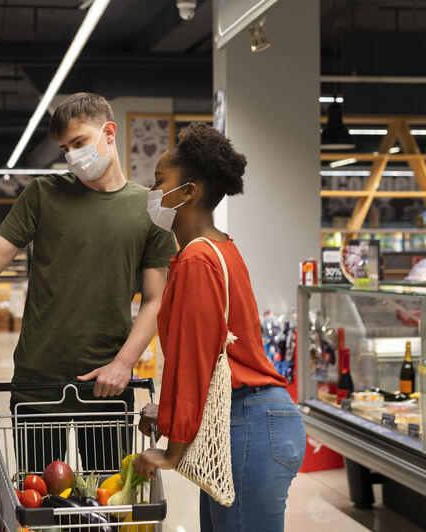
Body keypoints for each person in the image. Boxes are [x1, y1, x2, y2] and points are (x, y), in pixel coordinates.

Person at [0, 93, 177, 472]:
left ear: (109, 132)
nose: (72, 155)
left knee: (105, 506)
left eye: (79, 143)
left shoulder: (149, 209)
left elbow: (156, 300)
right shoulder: (43, 194)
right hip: (37, 380)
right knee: (40, 507)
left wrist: (124, 364)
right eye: (64, 148)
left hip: (106, 383)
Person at [132, 123, 306, 532]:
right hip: (244, 421)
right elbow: (211, 353)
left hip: (247, 425)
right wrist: (170, 412)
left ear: (188, 192)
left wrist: (172, 453)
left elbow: (196, 361)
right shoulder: (218, 248)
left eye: (159, 183)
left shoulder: (197, 259)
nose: (152, 192)